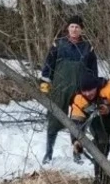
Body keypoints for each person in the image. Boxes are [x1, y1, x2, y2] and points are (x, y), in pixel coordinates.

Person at [40, 15, 98, 164]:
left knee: (78, 124)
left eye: (77, 27)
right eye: (72, 26)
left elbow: (93, 71)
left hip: (80, 91)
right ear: (68, 28)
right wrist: (45, 84)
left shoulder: (88, 48)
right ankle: (48, 152)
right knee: (54, 120)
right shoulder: (58, 44)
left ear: (81, 30)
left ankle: (77, 153)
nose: (74, 29)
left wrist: (92, 90)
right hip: (59, 89)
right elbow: (48, 65)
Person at [70, 71, 110, 184]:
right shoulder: (78, 98)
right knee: (101, 145)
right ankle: (100, 179)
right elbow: (76, 123)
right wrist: (76, 140)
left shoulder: (108, 87)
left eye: (91, 90)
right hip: (97, 122)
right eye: (85, 91)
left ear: (96, 86)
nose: (88, 93)